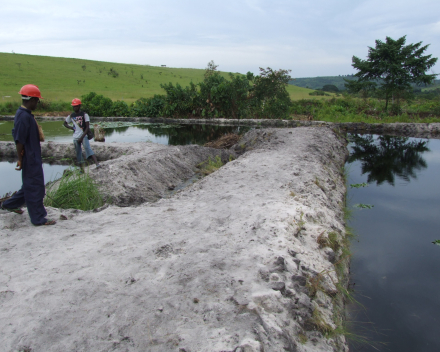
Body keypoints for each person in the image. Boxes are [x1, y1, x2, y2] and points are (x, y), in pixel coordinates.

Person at [0, 84, 56, 225]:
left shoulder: (25, 115)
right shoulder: (23, 117)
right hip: (30, 158)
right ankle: (38, 218)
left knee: (28, 186)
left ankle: (9, 204)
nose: (37, 103)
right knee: (36, 188)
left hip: (32, 156)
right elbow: (19, 140)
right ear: (31, 100)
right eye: (37, 100)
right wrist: (20, 159)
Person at [63, 98, 100, 170]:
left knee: (87, 148)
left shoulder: (84, 115)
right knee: (78, 153)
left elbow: (87, 128)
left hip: (83, 136)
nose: (75, 107)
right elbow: (65, 123)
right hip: (76, 136)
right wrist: (71, 128)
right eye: (73, 106)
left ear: (79, 106)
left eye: (76, 106)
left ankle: (97, 163)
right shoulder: (71, 115)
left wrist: (81, 137)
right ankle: (81, 169)